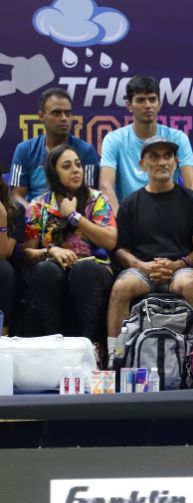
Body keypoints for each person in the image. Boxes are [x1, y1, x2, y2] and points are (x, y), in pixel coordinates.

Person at [106, 137, 193, 364]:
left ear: (176, 162)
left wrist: (179, 264)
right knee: (120, 287)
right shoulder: (130, 203)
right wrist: (143, 266)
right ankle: (116, 355)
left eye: (167, 156)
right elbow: (121, 250)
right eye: (154, 156)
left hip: (180, 269)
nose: (162, 162)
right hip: (142, 271)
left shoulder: (192, 200)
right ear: (142, 165)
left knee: (192, 284)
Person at [21, 145, 116, 346]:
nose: (75, 170)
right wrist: (50, 250)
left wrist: (74, 216)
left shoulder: (96, 199)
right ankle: (53, 343)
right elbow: (27, 252)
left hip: (95, 268)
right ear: (54, 172)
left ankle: (89, 345)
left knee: (84, 269)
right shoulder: (38, 206)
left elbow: (110, 240)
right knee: (44, 270)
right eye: (67, 166)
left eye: (78, 165)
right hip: (55, 267)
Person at [99, 75, 193, 212]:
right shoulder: (113, 140)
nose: (147, 106)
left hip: (171, 216)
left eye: (152, 99)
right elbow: (105, 186)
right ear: (129, 105)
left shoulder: (178, 138)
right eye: (140, 100)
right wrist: (119, 221)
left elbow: (191, 184)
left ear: (159, 104)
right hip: (129, 218)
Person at [10, 88, 99, 207]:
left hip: (73, 212)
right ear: (41, 116)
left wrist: (67, 214)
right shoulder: (25, 150)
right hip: (34, 214)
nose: (64, 118)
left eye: (68, 113)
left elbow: (87, 195)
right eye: (56, 113)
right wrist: (35, 214)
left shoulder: (86, 151)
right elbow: (16, 196)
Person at [0, 163, 25, 335]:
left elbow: (3, 253)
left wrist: (2, 219)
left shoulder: (14, 210)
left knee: (4, 269)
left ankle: (3, 334)